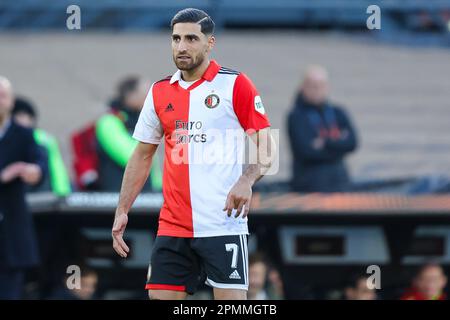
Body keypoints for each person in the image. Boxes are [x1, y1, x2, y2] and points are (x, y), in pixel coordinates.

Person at [111, 8, 276, 300]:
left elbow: (268, 146)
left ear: (209, 43)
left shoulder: (235, 84)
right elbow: (142, 155)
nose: (181, 46)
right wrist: (123, 208)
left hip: (223, 224)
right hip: (173, 225)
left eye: (190, 38)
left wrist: (246, 180)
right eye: (175, 39)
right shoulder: (159, 91)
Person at [0, 76, 47, 299]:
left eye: (3, 96)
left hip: (11, 231)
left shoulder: (24, 134)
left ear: (11, 101)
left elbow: (38, 163)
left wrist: (34, 171)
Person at [287, 65, 358, 193]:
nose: (317, 89)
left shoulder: (338, 112)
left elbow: (352, 143)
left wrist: (324, 142)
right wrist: (338, 144)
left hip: (341, 183)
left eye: (321, 85)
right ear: (303, 87)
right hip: (309, 187)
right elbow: (306, 151)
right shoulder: (296, 116)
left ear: (327, 87)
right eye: (312, 85)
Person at [95, 76, 162, 192]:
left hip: (146, 196)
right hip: (116, 197)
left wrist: (158, 190)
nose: (152, 97)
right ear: (130, 95)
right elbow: (132, 158)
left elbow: (152, 167)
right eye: (147, 93)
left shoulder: (141, 122)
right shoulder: (109, 122)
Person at [12, 97, 71, 196]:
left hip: (43, 196)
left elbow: (56, 167)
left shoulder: (44, 139)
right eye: (16, 116)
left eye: (22, 116)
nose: (19, 120)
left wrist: (63, 193)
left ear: (31, 119)